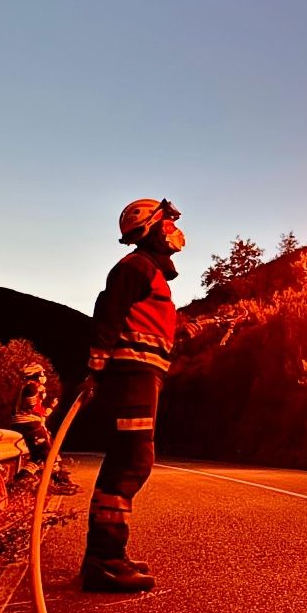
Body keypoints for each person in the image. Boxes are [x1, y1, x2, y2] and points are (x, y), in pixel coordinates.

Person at [80, 197, 215, 593]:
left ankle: (104, 557)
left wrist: (192, 328)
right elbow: (107, 314)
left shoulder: (150, 276)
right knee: (132, 461)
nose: (176, 231)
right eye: (169, 224)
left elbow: (151, 326)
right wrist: (97, 368)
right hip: (132, 375)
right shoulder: (135, 267)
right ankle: (105, 560)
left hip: (141, 374)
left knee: (127, 460)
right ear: (152, 228)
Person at [13, 363, 79, 496]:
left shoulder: (33, 387)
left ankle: (18, 482)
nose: (44, 376)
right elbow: (32, 408)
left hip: (31, 423)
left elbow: (38, 411)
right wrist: (47, 408)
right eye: (42, 374)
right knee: (49, 453)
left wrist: (50, 408)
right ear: (36, 375)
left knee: (38, 457)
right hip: (29, 424)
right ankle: (59, 481)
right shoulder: (31, 387)